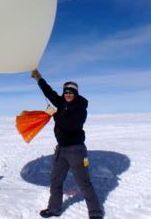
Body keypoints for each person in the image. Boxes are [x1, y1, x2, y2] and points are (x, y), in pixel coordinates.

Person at [31, 69, 104, 219]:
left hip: (76, 151)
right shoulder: (62, 102)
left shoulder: (80, 109)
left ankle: (95, 212)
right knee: (55, 181)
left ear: (75, 93)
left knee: (84, 182)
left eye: (71, 92)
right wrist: (39, 79)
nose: (68, 94)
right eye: (66, 92)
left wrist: (54, 114)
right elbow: (50, 93)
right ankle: (54, 209)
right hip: (61, 150)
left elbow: (68, 124)